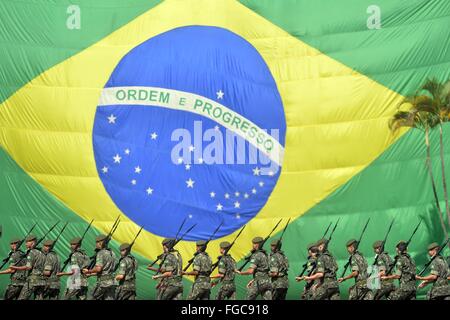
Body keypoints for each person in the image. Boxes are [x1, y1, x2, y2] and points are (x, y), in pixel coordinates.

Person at [12, 235, 46, 300]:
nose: (26, 244)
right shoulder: (42, 253)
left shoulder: (32, 252)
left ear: (33, 243)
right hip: (42, 281)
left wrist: (15, 267)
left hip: (32, 280)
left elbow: (28, 267)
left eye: (27, 242)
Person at [82, 234, 117, 300]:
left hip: (103, 283)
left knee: (91, 297)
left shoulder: (101, 253)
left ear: (101, 243)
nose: (96, 244)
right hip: (112, 282)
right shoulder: (113, 253)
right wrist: (91, 274)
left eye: (97, 242)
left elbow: (98, 269)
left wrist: (88, 271)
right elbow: (106, 270)